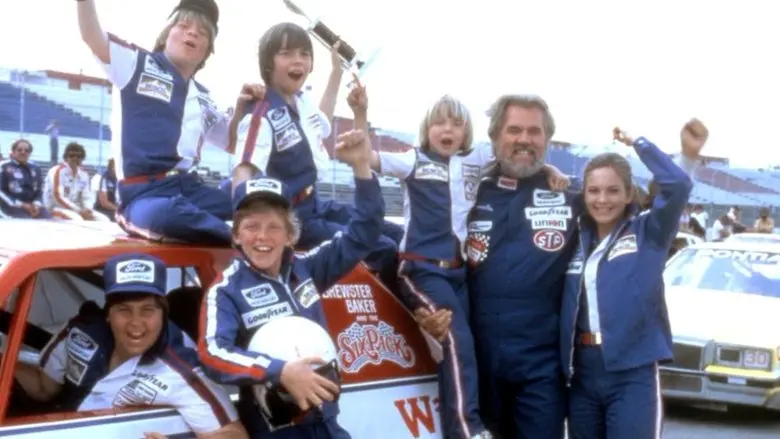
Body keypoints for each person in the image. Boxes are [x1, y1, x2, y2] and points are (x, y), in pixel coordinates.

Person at [463, 95, 703, 438]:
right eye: (514, 130)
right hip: (510, 367)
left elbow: (671, 193)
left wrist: (676, 154)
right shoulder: (472, 193)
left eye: (535, 131)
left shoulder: (608, 215)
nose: (602, 200)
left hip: (573, 370)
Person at [359, 85, 567, 438]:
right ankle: (466, 430)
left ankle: (470, 420)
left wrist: (548, 168)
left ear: (467, 132)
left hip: (461, 275)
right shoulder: (414, 160)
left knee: (464, 345)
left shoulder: (476, 160)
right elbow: (364, 156)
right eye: (440, 123)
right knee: (458, 342)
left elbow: (520, 153)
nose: (448, 130)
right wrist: (360, 112)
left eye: (456, 124)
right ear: (427, 128)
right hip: (423, 270)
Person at [198, 128, 381, 438]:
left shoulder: (307, 267)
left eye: (274, 227)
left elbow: (364, 233)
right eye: (251, 226)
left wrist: (362, 168)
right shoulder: (225, 291)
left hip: (326, 420)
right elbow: (213, 353)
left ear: (290, 235)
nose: (262, 237)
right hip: (276, 429)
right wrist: (280, 371)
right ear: (236, 235)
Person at [76, 0, 264, 243]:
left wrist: (243, 107)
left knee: (260, 197)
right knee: (169, 215)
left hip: (191, 189)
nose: (193, 32)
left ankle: (241, 232)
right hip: (144, 194)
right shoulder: (136, 64)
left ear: (207, 51)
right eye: (184, 25)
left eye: (203, 32)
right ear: (166, 34)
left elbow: (231, 143)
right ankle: (241, 237)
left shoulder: (204, 98)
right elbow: (92, 37)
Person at [234, 22, 403, 286]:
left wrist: (337, 72)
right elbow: (244, 169)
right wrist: (247, 225)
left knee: (397, 233)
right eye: (287, 53)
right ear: (268, 64)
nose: (298, 60)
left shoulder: (301, 102)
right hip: (293, 217)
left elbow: (320, 122)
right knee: (383, 247)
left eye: (304, 54)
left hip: (315, 204)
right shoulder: (261, 114)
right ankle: (403, 308)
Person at [13, 253, 248, 438]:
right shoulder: (82, 332)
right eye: (124, 310)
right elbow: (44, 387)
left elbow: (234, 434)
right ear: (108, 314)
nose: (136, 323)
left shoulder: (184, 369)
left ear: (163, 314)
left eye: (148, 310)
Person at [559, 127, 696, 439]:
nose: (602, 199)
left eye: (612, 190)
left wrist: (639, 143)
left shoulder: (649, 232)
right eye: (594, 191)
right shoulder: (574, 237)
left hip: (632, 372)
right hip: (582, 372)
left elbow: (678, 184)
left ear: (629, 194)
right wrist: (549, 172)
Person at [44, 142, 110, 221]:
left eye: (79, 156)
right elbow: (58, 196)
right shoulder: (57, 171)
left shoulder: (84, 175)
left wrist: (88, 209)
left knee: (104, 219)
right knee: (77, 220)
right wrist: (79, 211)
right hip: (55, 208)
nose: (75, 158)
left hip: (77, 210)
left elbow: (87, 197)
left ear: (82, 158)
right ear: (66, 157)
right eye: (71, 155)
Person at [0, 139, 50, 219]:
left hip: (32, 206)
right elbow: (1, 192)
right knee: (27, 222)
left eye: (27, 150)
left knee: (48, 219)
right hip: (10, 207)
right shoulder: (3, 166)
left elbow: (39, 191)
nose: (23, 152)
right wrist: (22, 205)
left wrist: (36, 205)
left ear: (30, 153)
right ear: (13, 152)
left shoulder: (35, 168)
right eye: (19, 150)